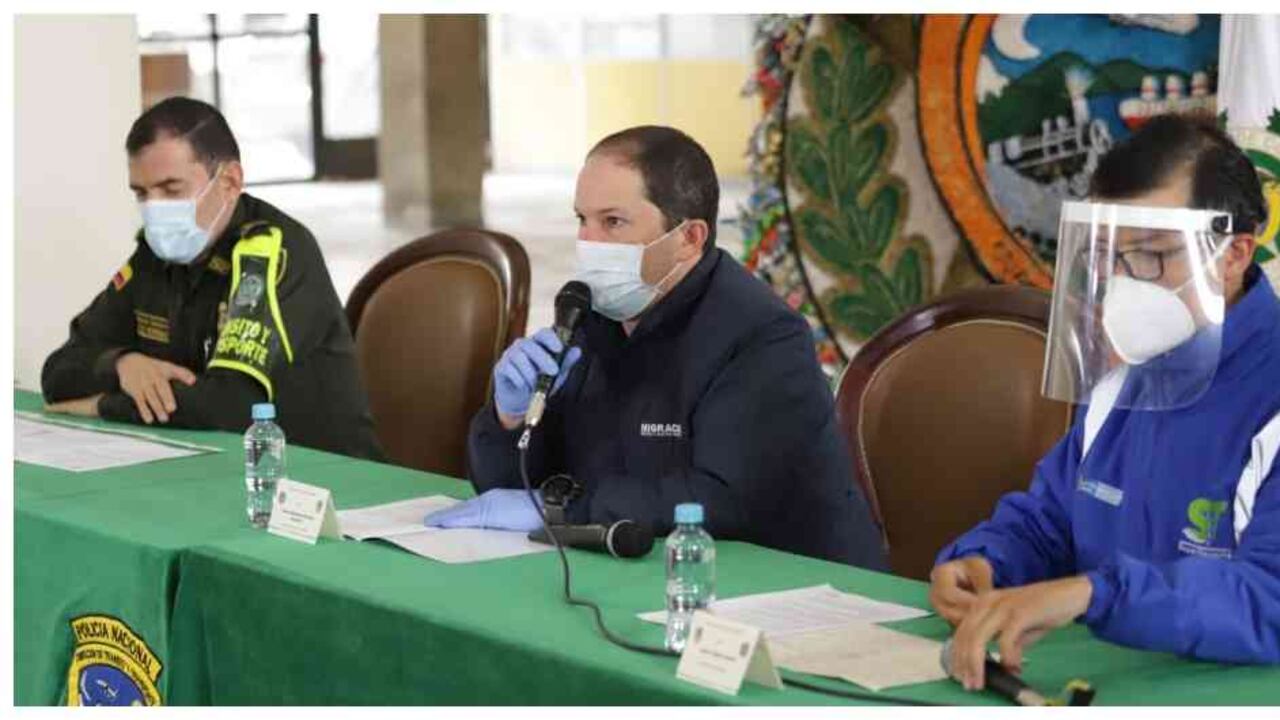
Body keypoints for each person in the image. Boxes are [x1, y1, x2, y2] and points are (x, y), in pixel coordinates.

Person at [425, 125, 886, 569]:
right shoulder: (592, 316)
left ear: (689, 238)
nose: (589, 243)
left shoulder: (764, 337)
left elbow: (722, 500)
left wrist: (560, 508)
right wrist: (510, 422)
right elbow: (509, 491)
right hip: (633, 566)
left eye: (613, 222)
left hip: (788, 598)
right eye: (582, 220)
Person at [931, 114, 1280, 690]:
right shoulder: (1128, 377)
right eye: (1110, 258)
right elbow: (1052, 522)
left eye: (1150, 256)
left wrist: (1094, 594)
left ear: (1235, 254)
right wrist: (985, 562)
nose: (1125, 284)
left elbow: (1267, 599)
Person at [41, 97, 382, 460]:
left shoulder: (270, 251)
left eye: (171, 190)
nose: (154, 208)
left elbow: (231, 407)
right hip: (208, 466)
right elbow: (59, 373)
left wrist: (104, 406)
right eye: (141, 193)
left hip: (319, 480)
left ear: (230, 181)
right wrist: (122, 365)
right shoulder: (154, 257)